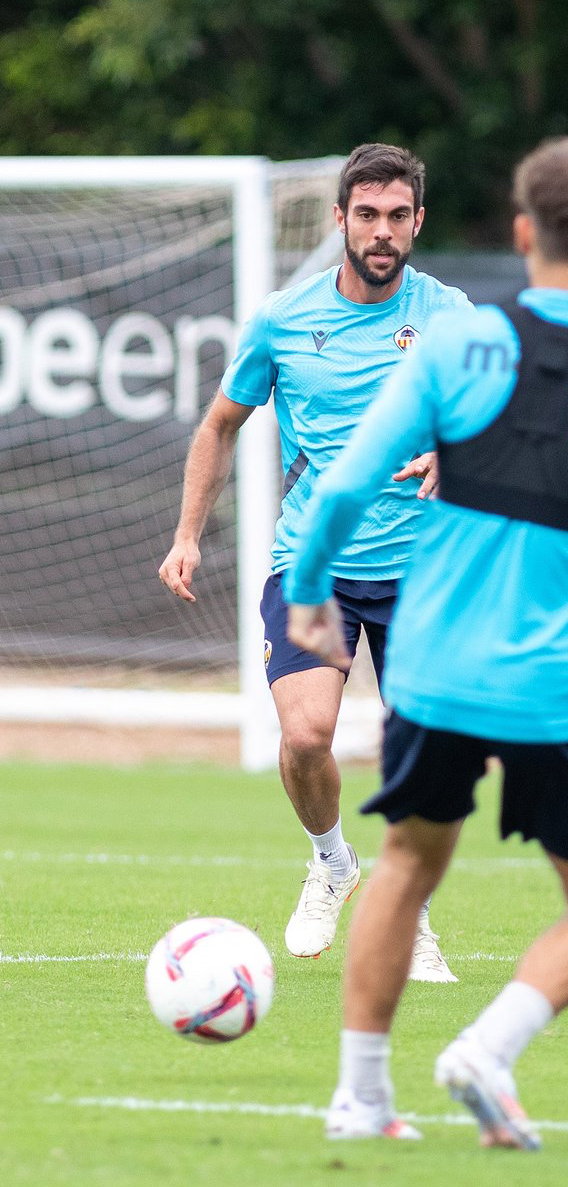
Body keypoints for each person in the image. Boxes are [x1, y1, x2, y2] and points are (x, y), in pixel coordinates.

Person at [283, 136, 568, 1146]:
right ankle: (487, 1050)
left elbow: (341, 486)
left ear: (523, 232)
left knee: (406, 864)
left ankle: (361, 1096)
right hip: (553, 684)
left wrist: (309, 597)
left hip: (438, 669)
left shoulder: (453, 346)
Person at [158, 143, 467, 979]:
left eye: (398, 216)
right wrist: (188, 535)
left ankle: (415, 919)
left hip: (424, 574)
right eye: (366, 215)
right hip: (313, 563)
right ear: (338, 219)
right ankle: (332, 861)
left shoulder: (449, 316)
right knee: (304, 736)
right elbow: (220, 424)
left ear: (417, 223)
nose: (382, 231)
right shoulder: (283, 321)